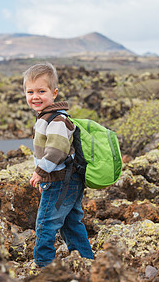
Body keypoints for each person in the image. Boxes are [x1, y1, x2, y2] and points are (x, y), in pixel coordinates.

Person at [23, 62, 94, 267]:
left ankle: (44, 266)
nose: (35, 96)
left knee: (45, 223)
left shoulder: (56, 120)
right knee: (71, 223)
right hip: (66, 180)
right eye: (30, 91)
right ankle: (85, 261)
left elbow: (57, 150)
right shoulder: (48, 117)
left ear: (54, 93)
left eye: (41, 91)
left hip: (61, 180)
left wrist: (40, 172)